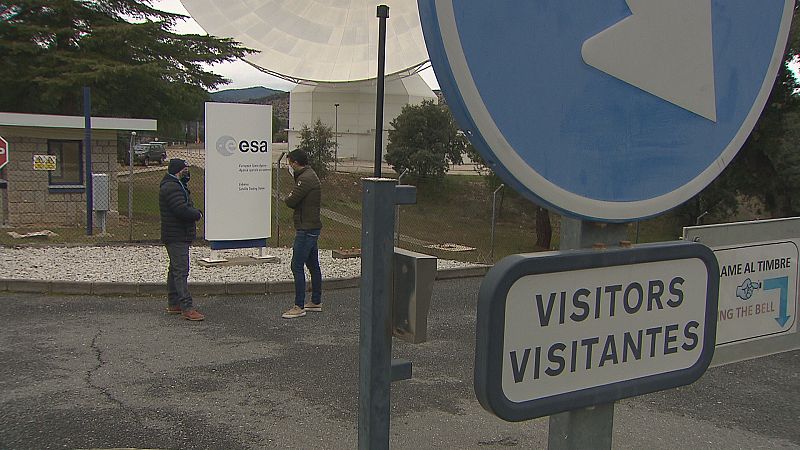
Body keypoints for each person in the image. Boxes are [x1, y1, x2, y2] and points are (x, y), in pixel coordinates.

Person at [159, 158, 204, 321]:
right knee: (181, 271)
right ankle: (186, 307)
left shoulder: (176, 185)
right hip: (176, 234)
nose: (187, 172)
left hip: (177, 233)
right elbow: (180, 209)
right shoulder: (172, 187)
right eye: (185, 169)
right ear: (178, 170)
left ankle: (174, 303)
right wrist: (196, 214)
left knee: (174, 269)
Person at [282, 149, 323, 319]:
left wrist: (288, 196)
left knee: (296, 265)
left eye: (290, 163)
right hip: (311, 226)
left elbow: (291, 200)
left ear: (296, 163)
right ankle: (315, 301)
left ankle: (299, 305)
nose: (289, 166)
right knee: (313, 265)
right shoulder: (309, 175)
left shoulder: (305, 179)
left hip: (306, 228)